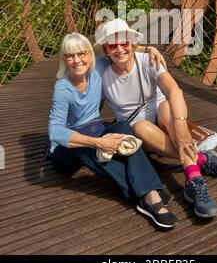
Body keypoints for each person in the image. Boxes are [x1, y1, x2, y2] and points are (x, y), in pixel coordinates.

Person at [94, 18, 217, 219]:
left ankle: (193, 181)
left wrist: (180, 126)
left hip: (163, 116)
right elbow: (79, 60)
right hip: (138, 130)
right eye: (112, 45)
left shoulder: (148, 60)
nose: (119, 49)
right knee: (141, 127)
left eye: (124, 43)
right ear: (106, 49)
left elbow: (174, 90)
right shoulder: (101, 71)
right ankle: (202, 160)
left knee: (166, 107)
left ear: (132, 43)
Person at [48, 32, 177, 229]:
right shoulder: (62, 88)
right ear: (63, 59)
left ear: (91, 55)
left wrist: (149, 48)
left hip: (95, 128)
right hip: (65, 150)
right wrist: (99, 142)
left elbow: (119, 50)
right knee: (84, 146)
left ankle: (147, 191)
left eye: (81, 54)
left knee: (124, 126)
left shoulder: (98, 67)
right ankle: (146, 195)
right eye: (70, 56)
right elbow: (55, 131)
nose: (77, 60)